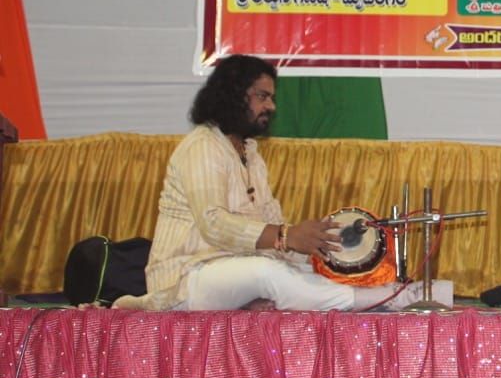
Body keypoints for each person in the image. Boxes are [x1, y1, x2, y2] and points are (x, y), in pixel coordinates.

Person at [112, 55, 421, 312]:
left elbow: (272, 223)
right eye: (262, 97)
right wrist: (286, 236)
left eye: (271, 97)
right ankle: (384, 300)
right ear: (233, 96)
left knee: (301, 271)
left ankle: (387, 292)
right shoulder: (202, 146)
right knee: (267, 274)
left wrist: (317, 251)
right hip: (185, 278)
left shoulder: (250, 154)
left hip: (234, 270)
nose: (271, 106)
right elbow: (213, 223)